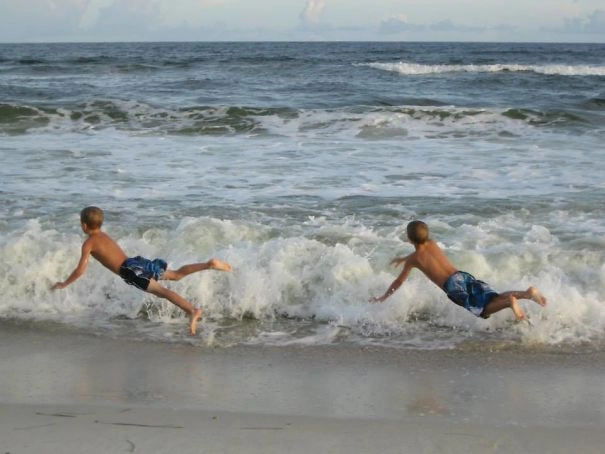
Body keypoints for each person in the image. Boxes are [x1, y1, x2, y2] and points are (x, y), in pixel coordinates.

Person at [51, 206, 232, 335]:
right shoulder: (104, 235)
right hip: (136, 262)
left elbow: (80, 269)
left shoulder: (89, 243)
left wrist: (64, 283)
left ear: (84, 225)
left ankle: (192, 310)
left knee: (163, 292)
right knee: (176, 275)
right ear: (100, 223)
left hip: (130, 270)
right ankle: (208, 264)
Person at [371, 220, 546, 321]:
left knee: (483, 311)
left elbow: (399, 281)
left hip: (453, 287)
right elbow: (423, 247)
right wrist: (405, 258)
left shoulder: (413, 259)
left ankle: (510, 302)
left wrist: (383, 297)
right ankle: (527, 293)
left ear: (409, 239)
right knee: (491, 297)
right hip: (461, 276)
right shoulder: (432, 243)